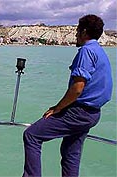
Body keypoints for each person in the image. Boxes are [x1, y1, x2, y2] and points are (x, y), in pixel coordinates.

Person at [22, 14, 113, 177]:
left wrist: (57, 108)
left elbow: (78, 88)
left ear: (84, 32)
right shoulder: (99, 51)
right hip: (93, 114)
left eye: (77, 30)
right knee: (71, 153)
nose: (76, 34)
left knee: (32, 135)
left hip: (79, 112)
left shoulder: (86, 51)